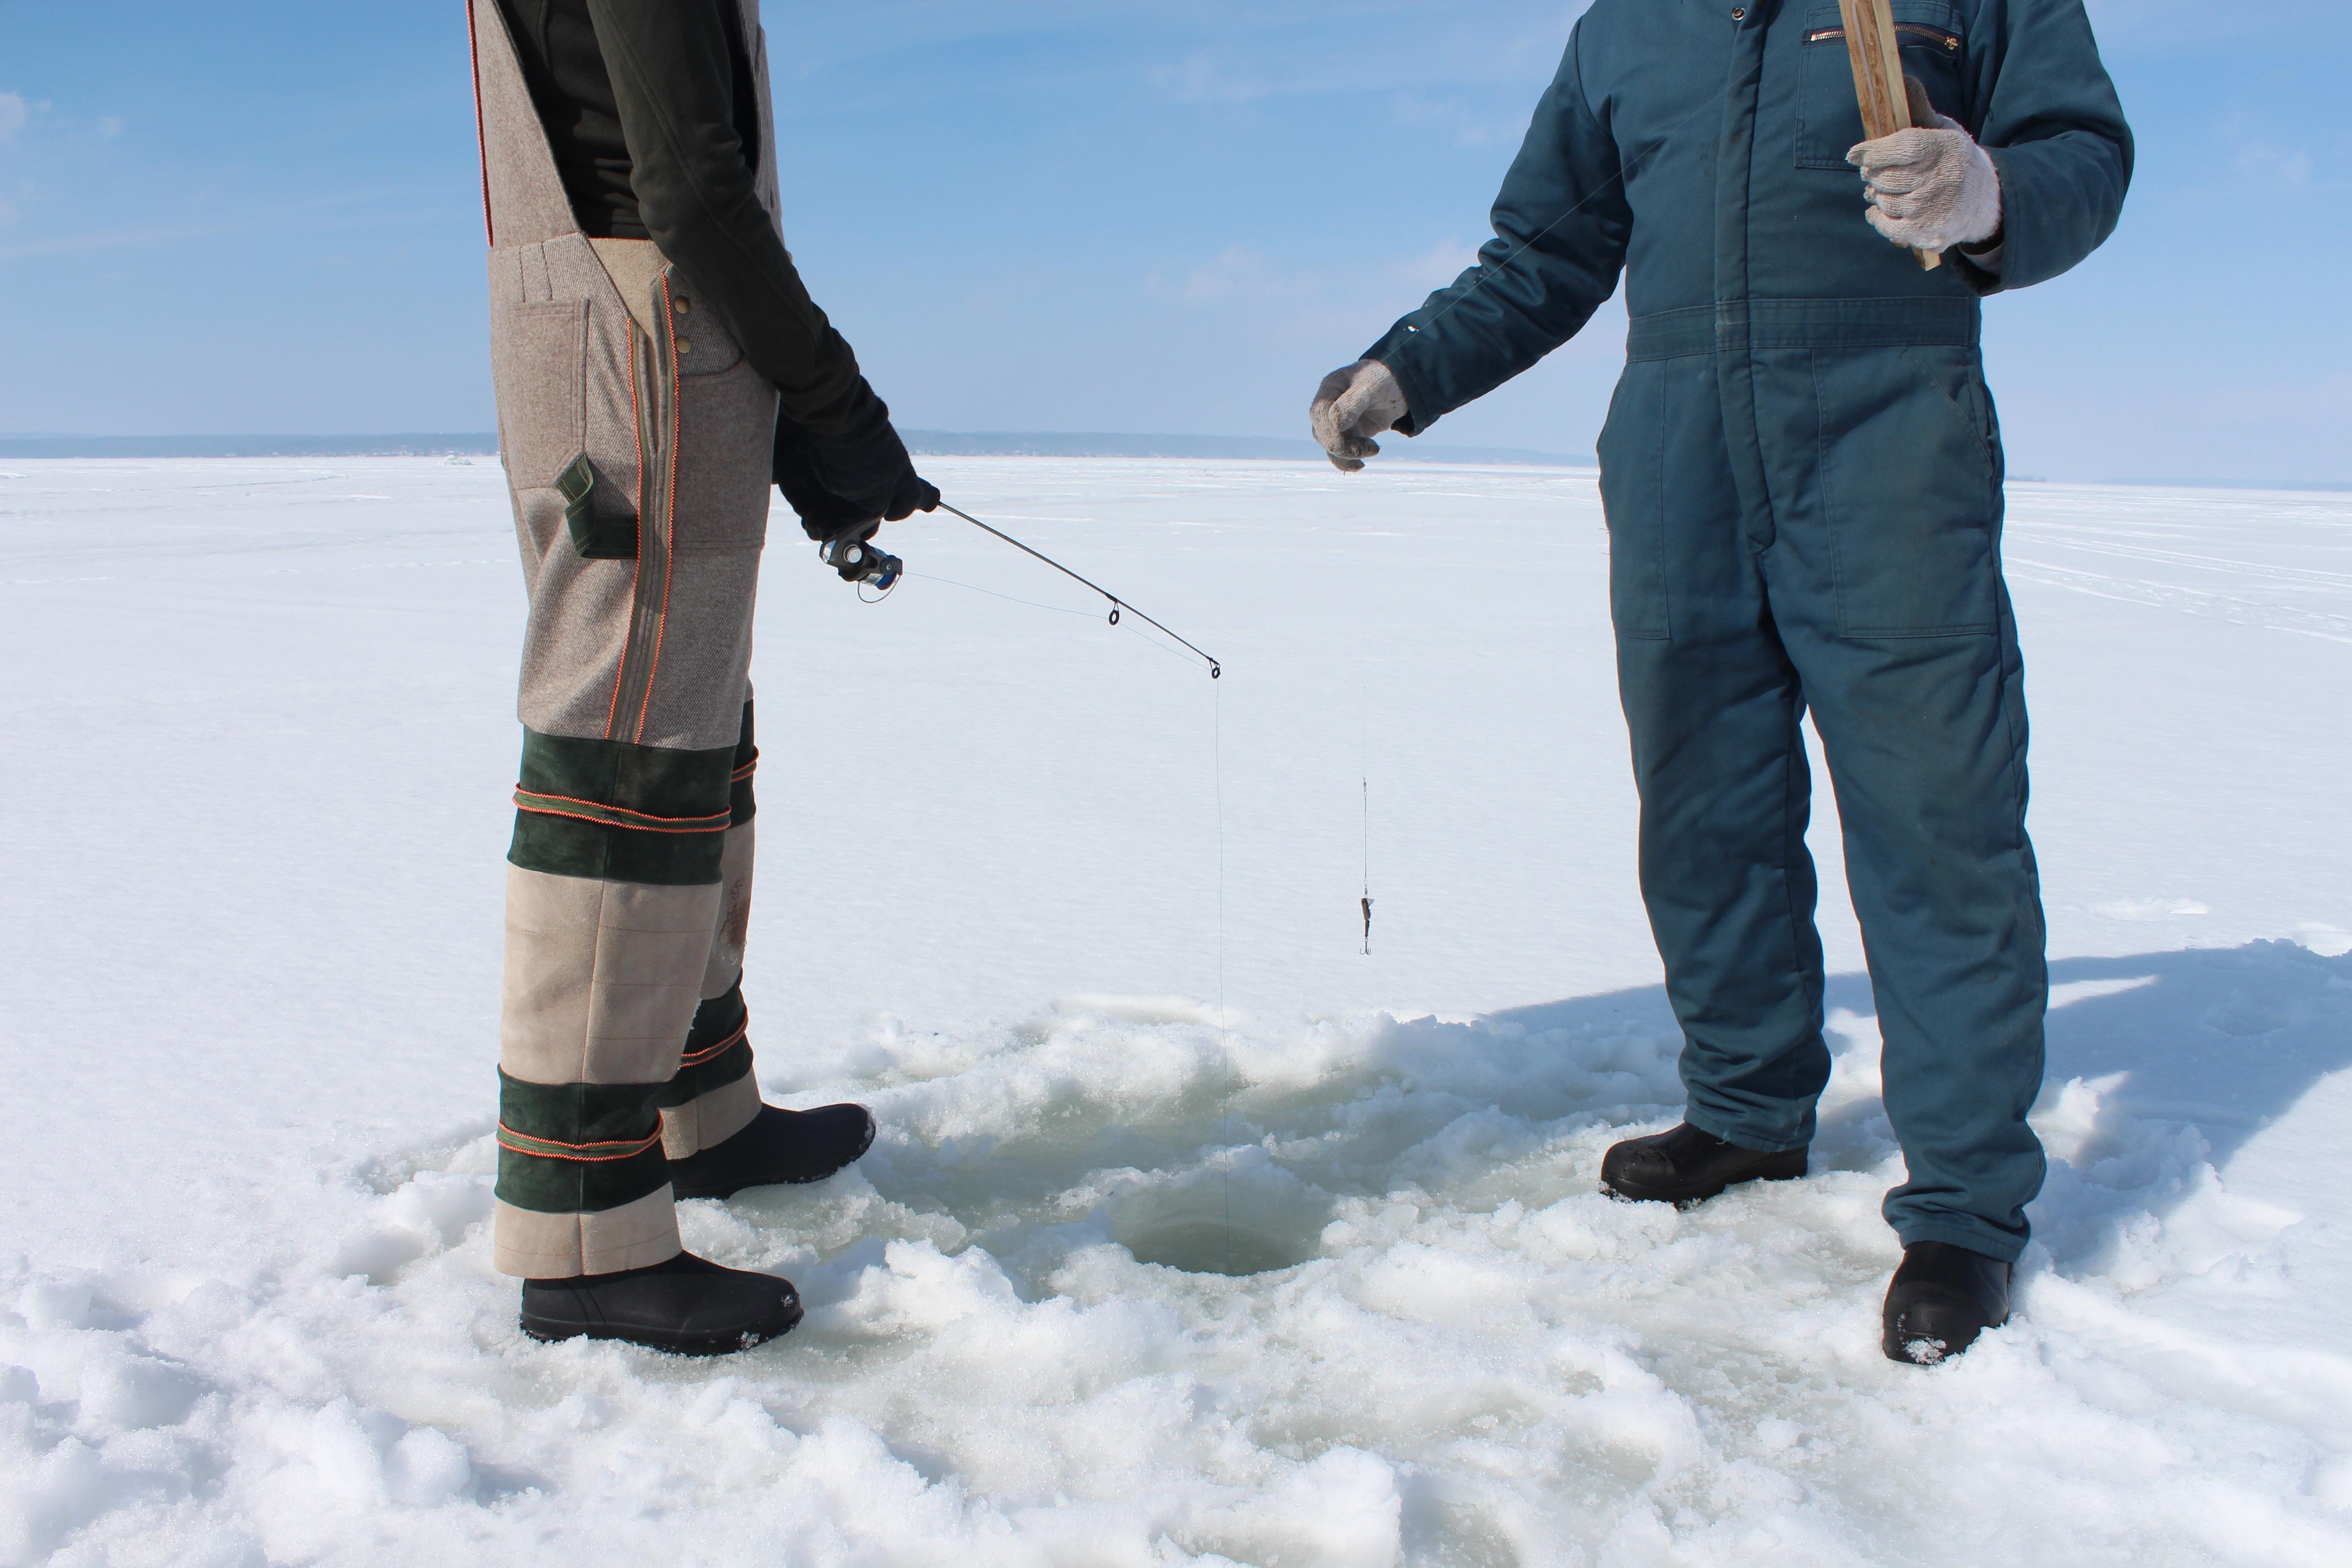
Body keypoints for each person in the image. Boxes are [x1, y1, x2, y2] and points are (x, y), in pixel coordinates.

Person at [1311, 1, 2129, 1364]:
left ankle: (1966, 1210)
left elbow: (2084, 151)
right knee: (1705, 802)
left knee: (1938, 814)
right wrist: (1409, 368)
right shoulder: (1628, 25)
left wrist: (1988, 192)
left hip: (1886, 427)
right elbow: (1551, 247)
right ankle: (1749, 1109)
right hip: (1679, 436)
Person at [467, 0, 936, 1354]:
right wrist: (832, 400)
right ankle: (582, 1236)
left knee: (689, 739)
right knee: (623, 760)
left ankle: (699, 1110)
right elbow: (687, 181)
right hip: (644, 337)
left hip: (646, 332)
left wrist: (796, 424)